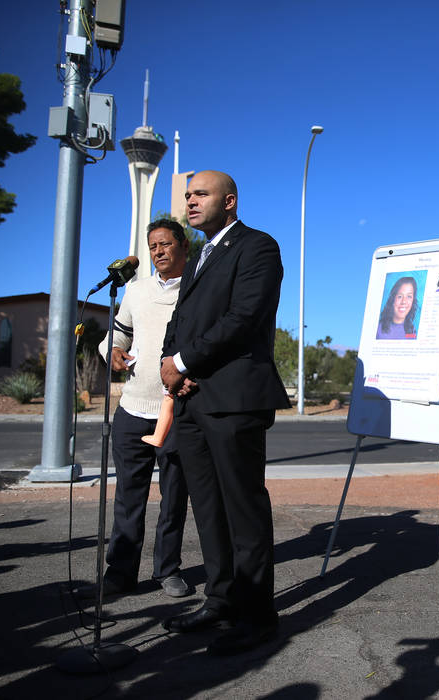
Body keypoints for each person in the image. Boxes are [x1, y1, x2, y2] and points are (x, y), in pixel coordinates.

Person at [160, 170, 292, 656]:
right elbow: (182, 320)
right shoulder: (197, 257)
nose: (190, 202)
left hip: (235, 399)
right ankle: (221, 600)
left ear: (229, 201)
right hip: (193, 397)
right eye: (188, 196)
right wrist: (169, 362)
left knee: (243, 509)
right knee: (208, 508)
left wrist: (183, 360)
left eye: (201, 194)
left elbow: (243, 318)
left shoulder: (258, 247)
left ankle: (258, 617)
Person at [99, 219, 191, 599]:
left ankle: (167, 570)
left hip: (178, 412)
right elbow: (115, 335)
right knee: (128, 498)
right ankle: (120, 573)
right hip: (133, 410)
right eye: (153, 246)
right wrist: (113, 352)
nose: (158, 252)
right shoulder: (136, 291)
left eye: (166, 244)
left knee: (173, 498)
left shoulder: (196, 289)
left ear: (183, 247)